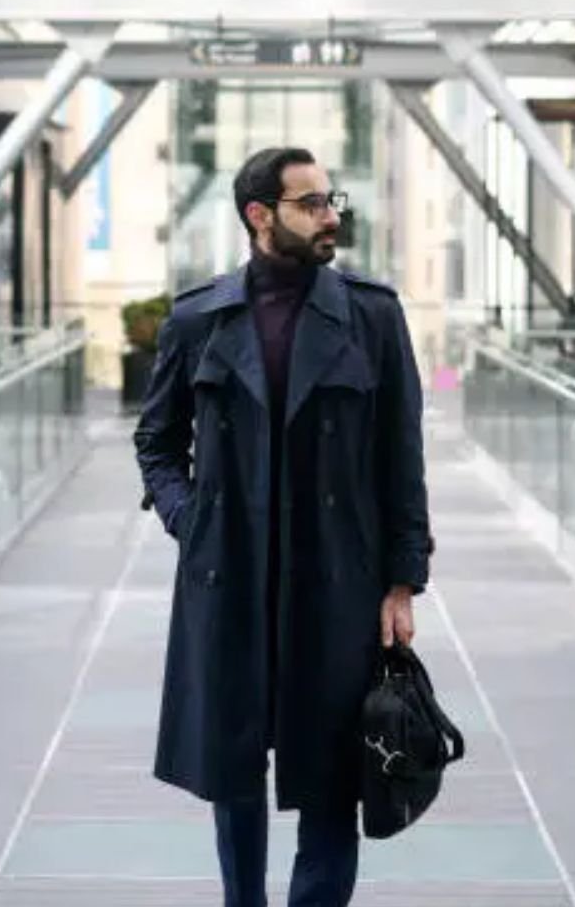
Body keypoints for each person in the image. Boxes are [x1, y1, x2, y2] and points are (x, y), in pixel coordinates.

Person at [134, 146, 433, 906]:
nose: (332, 215)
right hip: (230, 578)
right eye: (312, 204)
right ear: (260, 216)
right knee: (233, 771)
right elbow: (157, 442)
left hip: (338, 581)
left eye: (332, 199)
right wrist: (188, 518)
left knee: (333, 769)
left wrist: (403, 580)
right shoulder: (199, 318)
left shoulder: (371, 315)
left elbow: (402, 456)